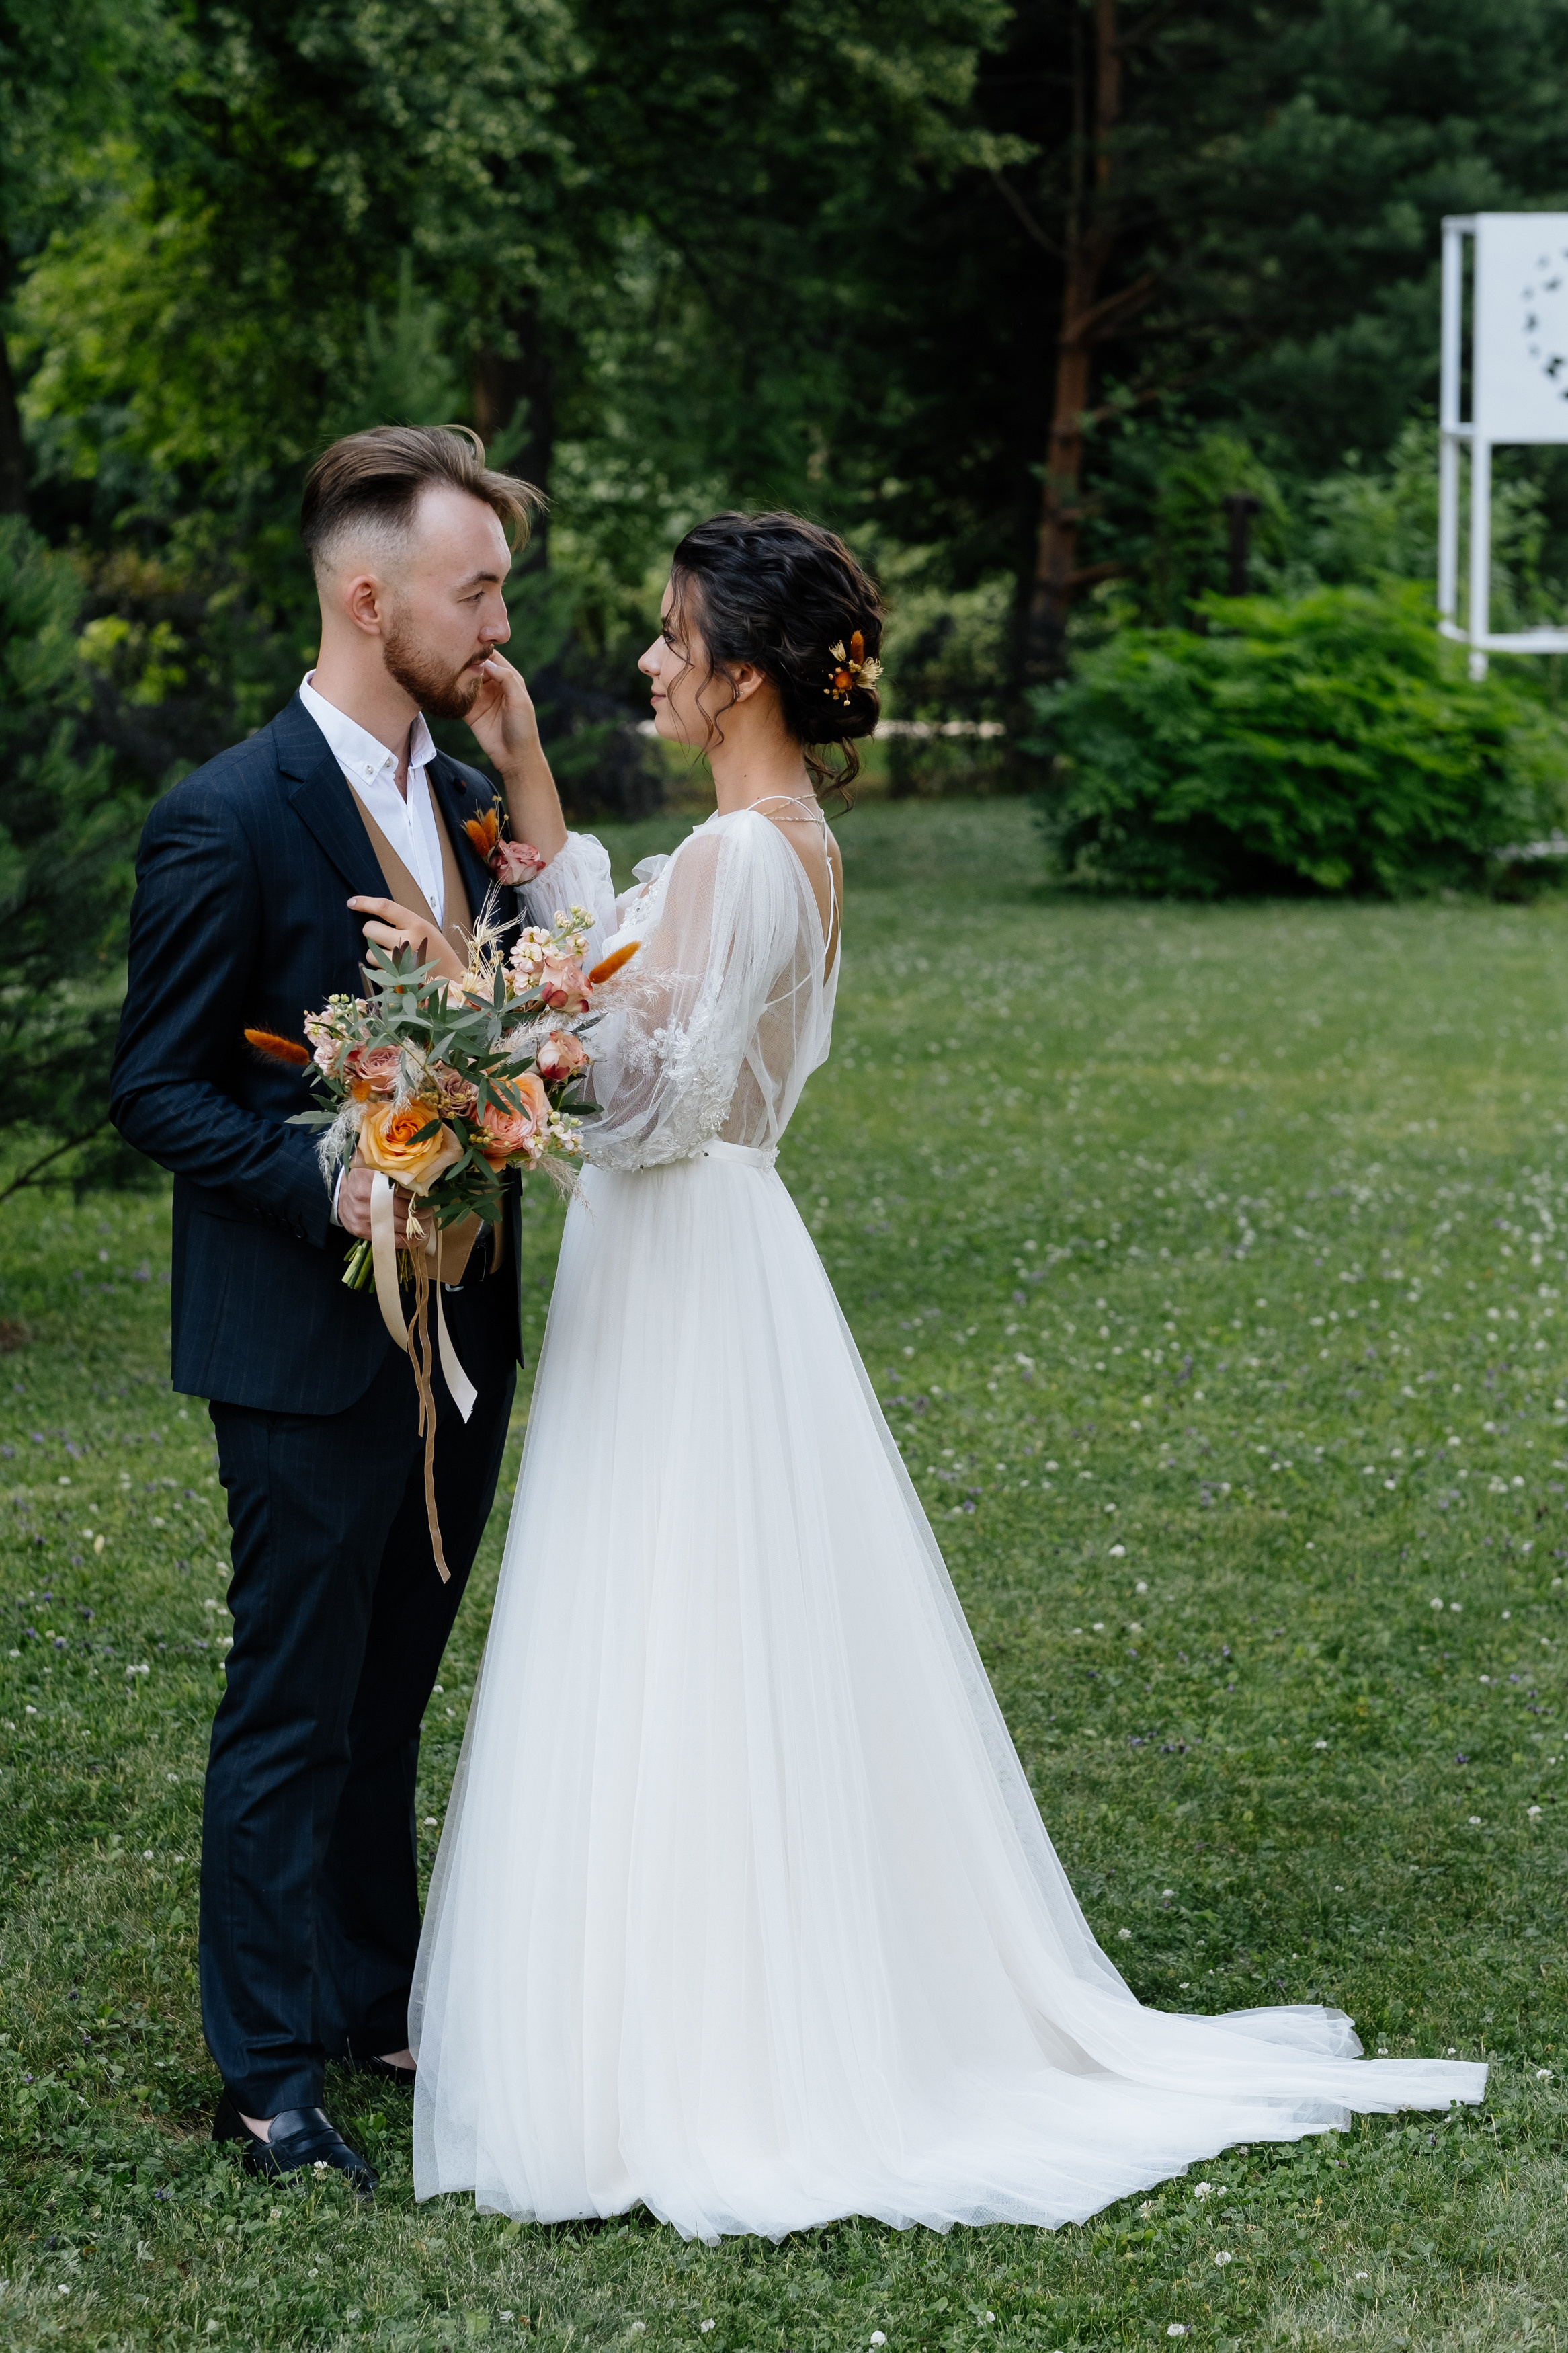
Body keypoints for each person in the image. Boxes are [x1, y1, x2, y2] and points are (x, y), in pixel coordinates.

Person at [407, 510, 1485, 2242]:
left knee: (683, 1627)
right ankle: (682, 2007)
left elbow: (640, 1099)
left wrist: (470, 1010)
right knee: (698, 1624)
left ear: (744, 673)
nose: (652, 663)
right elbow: (630, 995)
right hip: (708, 1262)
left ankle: (701, 2051)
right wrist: (525, 780)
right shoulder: (771, 842)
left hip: (688, 1257)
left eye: (674, 639)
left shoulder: (750, 859)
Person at [110, 426, 581, 2195]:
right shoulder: (224, 816)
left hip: (467, 1335)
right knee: (294, 1697)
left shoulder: (466, 800)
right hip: (303, 1345)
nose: (501, 618)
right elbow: (155, 1084)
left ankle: (374, 1996)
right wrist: (332, 1178)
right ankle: (267, 2073)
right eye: (478, 589)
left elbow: (553, 1000)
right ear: (367, 593)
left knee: (397, 1684)